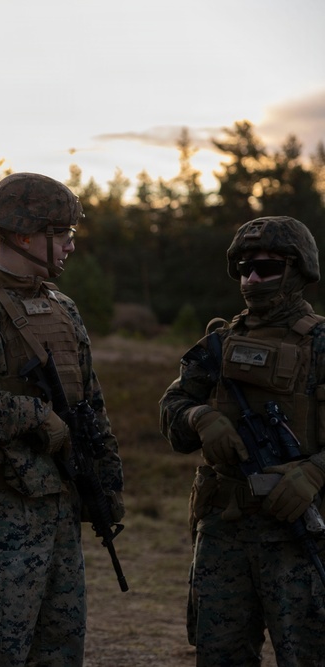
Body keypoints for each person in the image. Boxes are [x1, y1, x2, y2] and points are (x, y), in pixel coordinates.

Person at [0, 172, 125, 665]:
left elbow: (91, 404)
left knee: (60, 651)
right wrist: (35, 415)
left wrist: (107, 482)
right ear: (22, 235)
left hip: (60, 507)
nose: (71, 245)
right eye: (63, 234)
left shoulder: (63, 308)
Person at [159, 215, 325, 666]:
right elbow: (172, 407)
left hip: (300, 535)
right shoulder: (219, 344)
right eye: (243, 268)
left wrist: (315, 471)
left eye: (266, 268)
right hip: (224, 532)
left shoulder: (321, 344)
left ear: (298, 270)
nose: (251, 279)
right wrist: (200, 417)